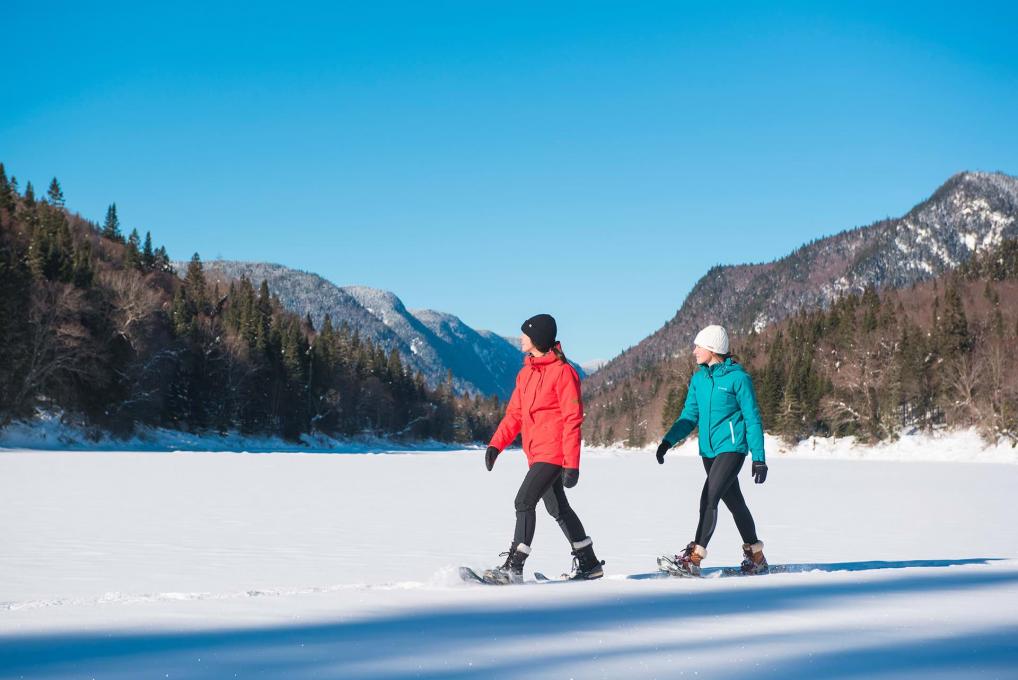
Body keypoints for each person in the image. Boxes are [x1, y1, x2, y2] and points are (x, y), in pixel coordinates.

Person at [482, 313, 604, 584]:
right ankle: (590, 563)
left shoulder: (564, 373)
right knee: (557, 508)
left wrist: (572, 464)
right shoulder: (526, 374)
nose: (521, 338)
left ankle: (513, 567)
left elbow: (573, 419)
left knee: (524, 501)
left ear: (537, 338)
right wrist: (495, 445)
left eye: (525, 334)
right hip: (535, 452)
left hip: (554, 452)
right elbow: (515, 415)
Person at [656, 324, 769, 576]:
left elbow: (752, 419)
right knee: (736, 504)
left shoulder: (738, 379)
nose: (694, 351)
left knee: (709, 498)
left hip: (732, 448)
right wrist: (668, 441)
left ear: (713, 348)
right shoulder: (699, 379)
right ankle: (757, 557)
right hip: (708, 451)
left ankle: (693, 558)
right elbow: (689, 415)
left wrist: (758, 458)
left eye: (698, 346)